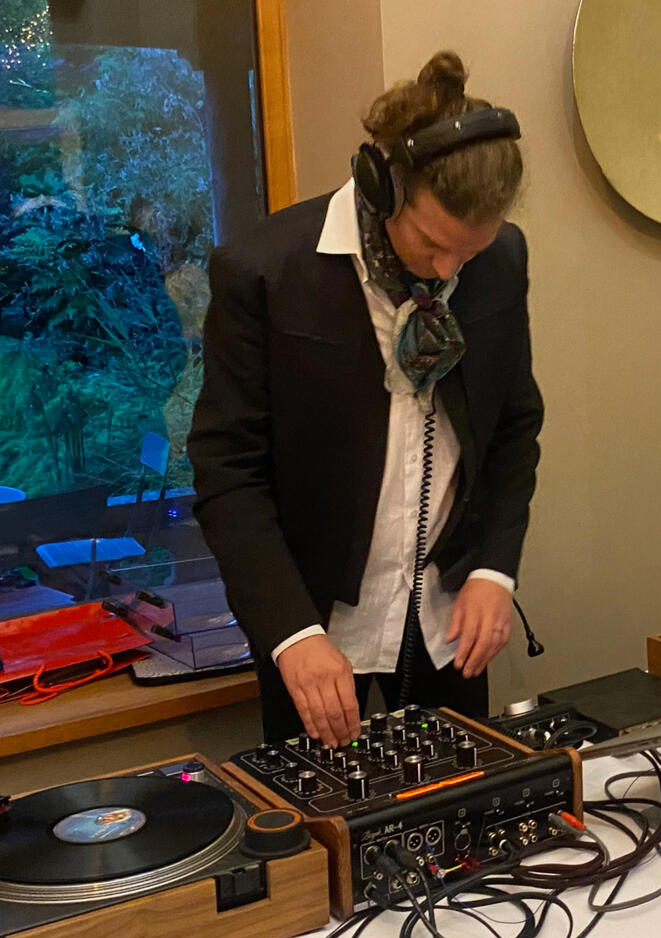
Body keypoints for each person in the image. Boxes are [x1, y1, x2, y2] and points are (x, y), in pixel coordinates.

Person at [189, 52, 543, 747]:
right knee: (321, 838)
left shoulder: (500, 263)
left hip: (448, 622)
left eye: (468, 254)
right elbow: (228, 474)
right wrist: (290, 632)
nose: (449, 272)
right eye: (434, 244)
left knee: (461, 829)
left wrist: (495, 568)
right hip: (314, 629)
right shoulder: (264, 273)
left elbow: (513, 426)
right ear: (381, 188)